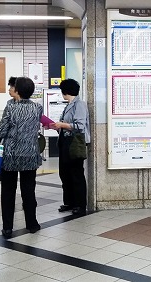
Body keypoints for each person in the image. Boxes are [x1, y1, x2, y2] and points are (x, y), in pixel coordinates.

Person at [0, 76, 43, 238]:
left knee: (8, 192)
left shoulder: (10, 108)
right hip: (30, 155)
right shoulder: (38, 108)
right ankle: (32, 224)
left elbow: (1, 131)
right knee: (29, 191)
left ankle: (8, 227)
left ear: (17, 91)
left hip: (11, 155)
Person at [53, 79, 90, 216]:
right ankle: (69, 202)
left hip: (74, 143)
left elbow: (79, 126)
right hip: (64, 141)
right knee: (65, 173)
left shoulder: (79, 105)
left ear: (65, 91)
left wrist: (62, 125)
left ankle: (80, 205)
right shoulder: (68, 105)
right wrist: (58, 127)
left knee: (76, 174)